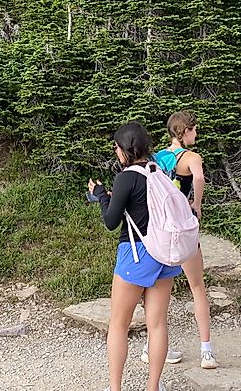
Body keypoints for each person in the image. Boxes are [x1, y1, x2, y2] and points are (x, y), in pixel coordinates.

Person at [89, 121, 178, 391]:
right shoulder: (158, 171)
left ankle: (116, 388)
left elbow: (111, 221)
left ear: (124, 149)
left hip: (136, 253)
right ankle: (154, 387)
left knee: (118, 323)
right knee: (157, 324)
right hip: (165, 252)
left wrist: (101, 195)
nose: (115, 152)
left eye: (116, 147)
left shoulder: (126, 177)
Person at [141, 111, 218, 369]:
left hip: (161, 231)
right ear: (184, 131)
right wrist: (197, 203)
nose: (196, 134)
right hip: (184, 230)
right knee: (197, 288)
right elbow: (198, 177)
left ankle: (149, 346)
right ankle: (206, 351)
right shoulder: (192, 157)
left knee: (158, 291)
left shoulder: (158, 158)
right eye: (194, 129)